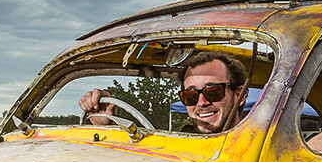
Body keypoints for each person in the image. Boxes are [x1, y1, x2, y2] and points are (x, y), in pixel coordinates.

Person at [78, 53, 248, 135]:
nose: (201, 102)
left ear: (239, 95)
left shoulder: (262, 148)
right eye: (190, 95)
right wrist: (106, 127)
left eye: (212, 91)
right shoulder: (180, 142)